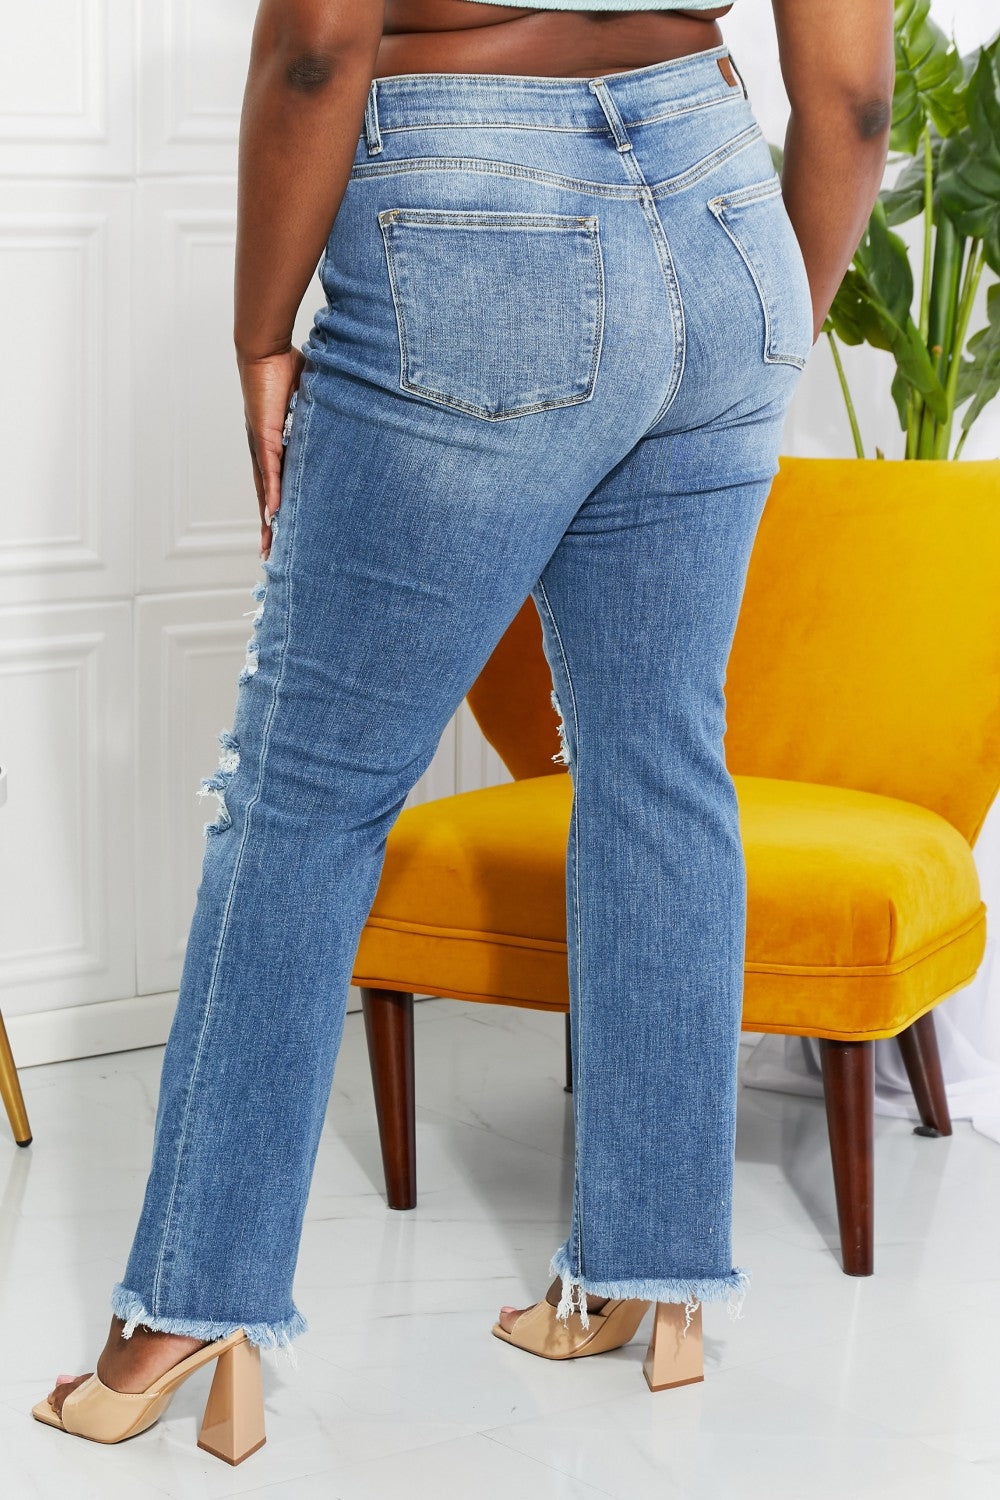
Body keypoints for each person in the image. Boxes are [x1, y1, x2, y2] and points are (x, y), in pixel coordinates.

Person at [34, 0, 894, 1461]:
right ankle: (649, 1278)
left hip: (472, 214)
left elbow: (319, 47)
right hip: (722, 206)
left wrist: (259, 336)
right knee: (662, 762)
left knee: (305, 799)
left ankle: (185, 1309)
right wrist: (755, 322)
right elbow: (856, 101)